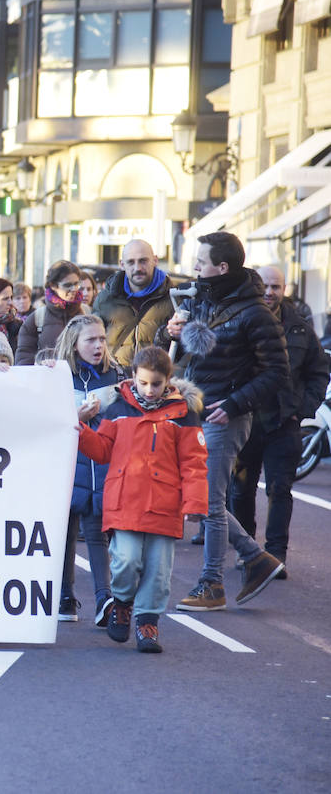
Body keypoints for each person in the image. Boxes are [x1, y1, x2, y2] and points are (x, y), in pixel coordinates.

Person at [160, 232, 288, 611]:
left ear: (222, 266)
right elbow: (177, 349)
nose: (195, 267)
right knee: (199, 497)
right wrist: (169, 332)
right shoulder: (200, 298)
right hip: (195, 410)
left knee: (209, 501)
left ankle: (212, 584)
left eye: (201, 261)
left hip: (225, 416)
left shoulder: (255, 313)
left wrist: (234, 404)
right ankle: (255, 557)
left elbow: (278, 372)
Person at [76, 347, 208, 653]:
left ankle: (147, 622)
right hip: (125, 502)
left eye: (157, 384)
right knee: (125, 560)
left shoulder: (184, 415)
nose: (149, 390)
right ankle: (122, 603)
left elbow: (194, 462)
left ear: (168, 380)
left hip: (164, 504)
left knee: (159, 570)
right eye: (144, 382)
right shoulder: (118, 409)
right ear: (133, 376)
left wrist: (195, 504)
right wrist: (80, 431)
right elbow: (102, 450)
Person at [230, 265, 328, 572]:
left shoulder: (300, 329)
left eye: (276, 287)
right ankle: (248, 551)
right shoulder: (240, 320)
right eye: (265, 286)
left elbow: (319, 372)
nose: (270, 292)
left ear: (284, 289)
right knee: (240, 489)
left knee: (280, 489)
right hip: (246, 421)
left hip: (284, 423)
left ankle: (275, 555)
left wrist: (302, 409)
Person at [55, 314, 123, 625]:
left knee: (97, 534)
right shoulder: (57, 376)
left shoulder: (116, 375)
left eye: (102, 339)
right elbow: (46, 420)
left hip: (100, 469)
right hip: (67, 467)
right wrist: (76, 416)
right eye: (90, 340)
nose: (98, 346)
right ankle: (65, 597)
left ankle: (103, 599)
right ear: (74, 344)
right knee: (65, 533)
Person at [93, 239, 175, 367]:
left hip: (156, 377)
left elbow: (186, 351)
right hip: (115, 375)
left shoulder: (174, 298)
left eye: (143, 261)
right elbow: (92, 341)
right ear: (122, 264)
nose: (137, 268)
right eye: (131, 262)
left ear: (155, 260)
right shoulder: (105, 299)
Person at [15, 260, 84, 366]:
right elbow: (24, 358)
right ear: (53, 285)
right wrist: (41, 366)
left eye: (76, 284)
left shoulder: (86, 314)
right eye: (67, 285)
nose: (74, 289)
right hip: (48, 375)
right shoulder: (36, 319)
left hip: (83, 376)